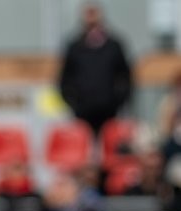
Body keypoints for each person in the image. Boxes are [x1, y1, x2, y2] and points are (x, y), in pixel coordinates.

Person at [57, 2, 133, 137]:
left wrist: (118, 101)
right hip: (82, 112)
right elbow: (64, 79)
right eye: (88, 13)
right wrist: (74, 103)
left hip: (109, 111)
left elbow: (125, 76)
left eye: (94, 12)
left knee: (109, 145)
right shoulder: (74, 47)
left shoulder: (114, 46)